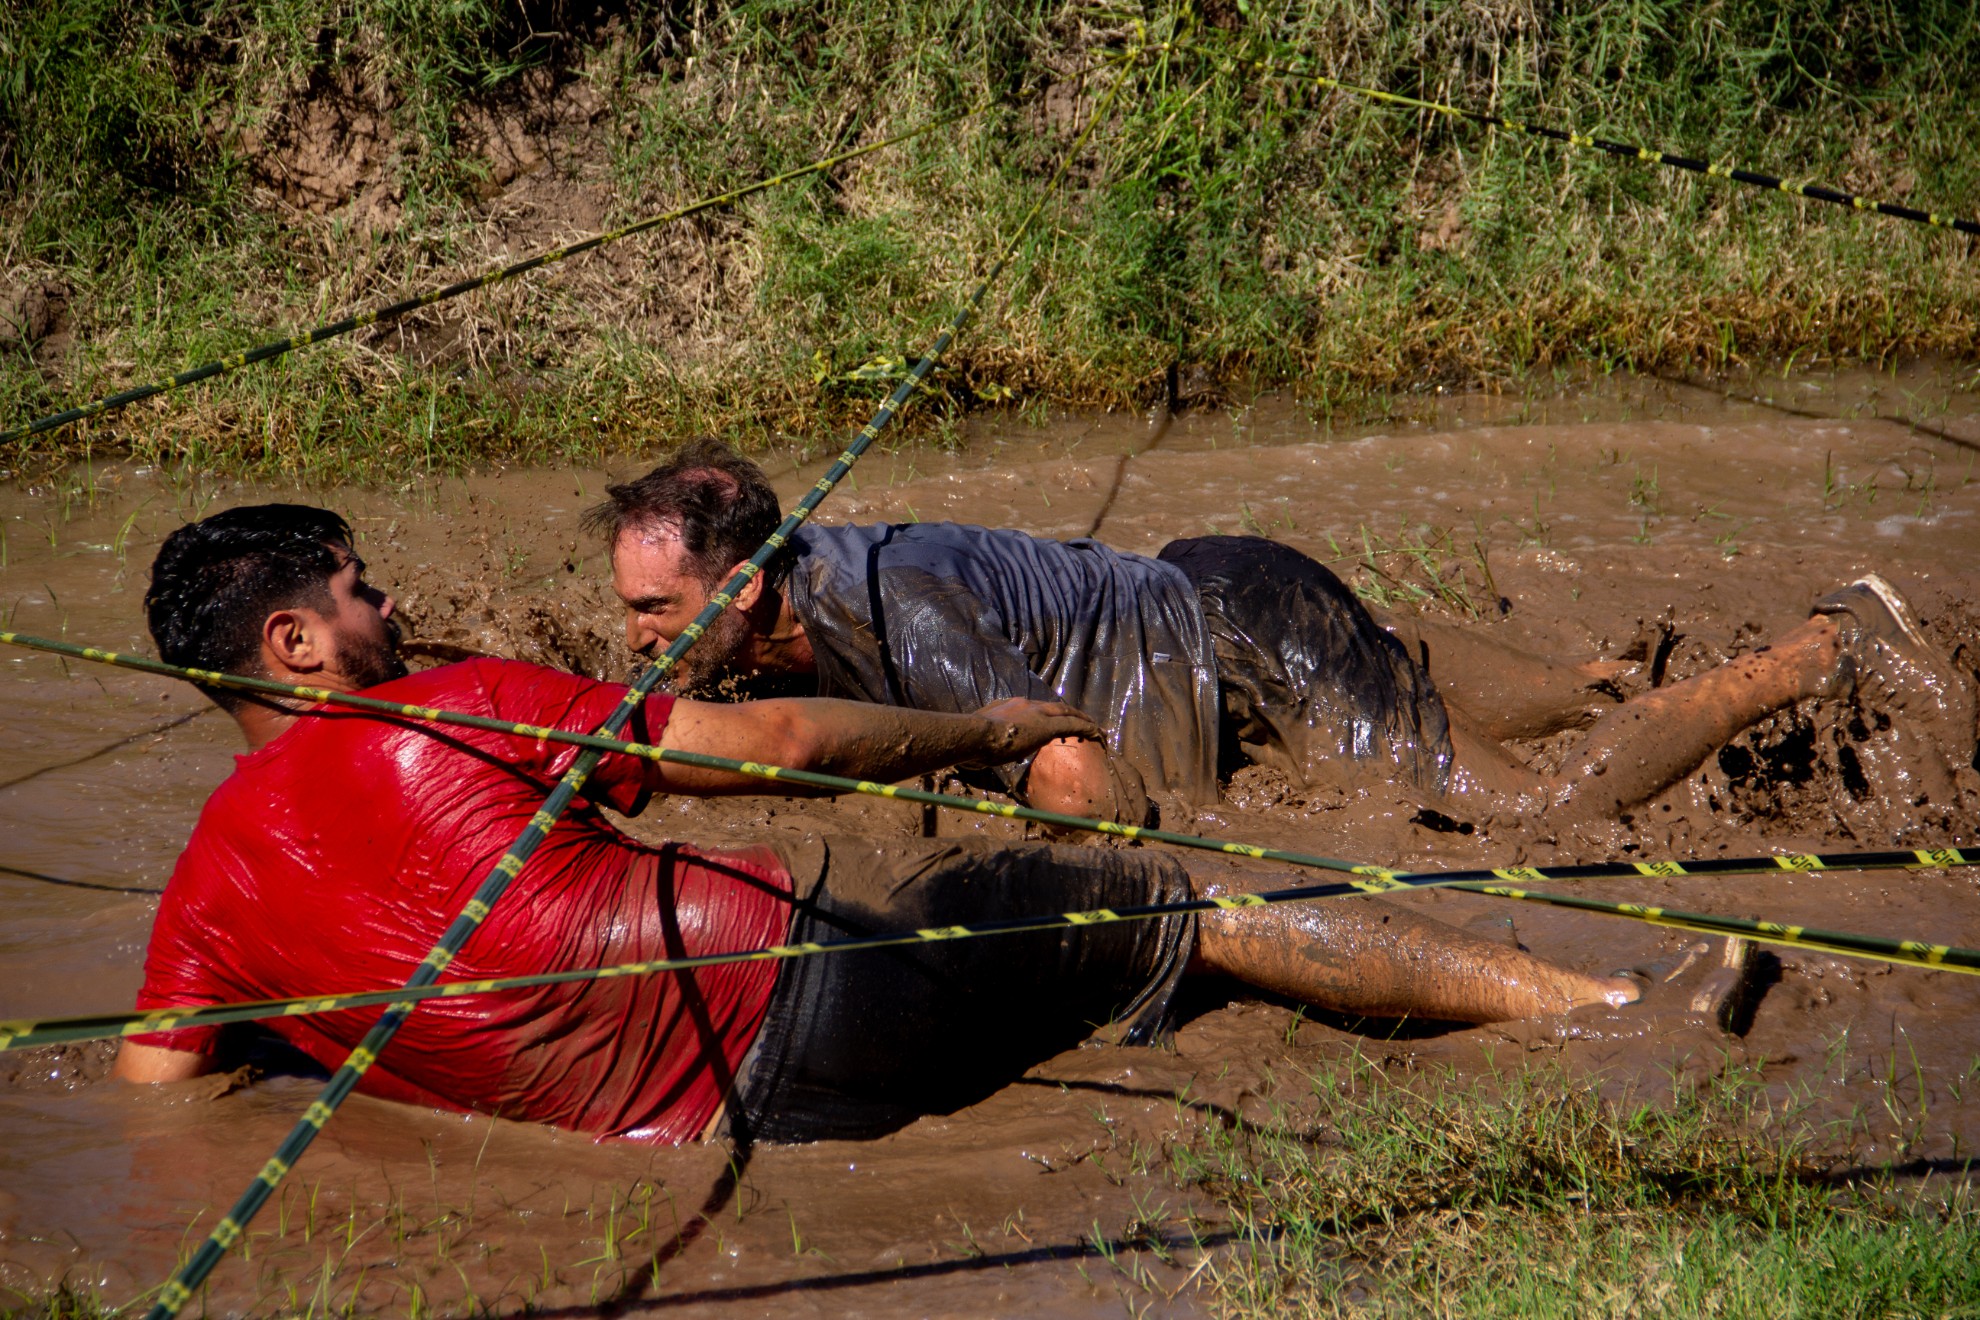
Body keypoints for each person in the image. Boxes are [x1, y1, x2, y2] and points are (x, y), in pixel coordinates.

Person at [116, 504, 1750, 1145]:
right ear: (296, 645)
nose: (393, 605)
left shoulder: (198, 906)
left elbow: (150, 1104)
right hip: (813, 995)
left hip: (735, 1130)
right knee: (1175, 900)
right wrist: (978, 734)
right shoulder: (447, 703)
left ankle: (1592, 688)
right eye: (360, 591)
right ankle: (1607, 1014)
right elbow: (762, 743)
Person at [587, 441, 1974, 829]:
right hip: (1209, 597)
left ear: (751, 589)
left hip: (1244, 631)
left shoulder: (901, 614)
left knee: (1531, 811)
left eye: (656, 611)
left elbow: (1082, 783)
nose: (637, 635)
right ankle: (1600, 683)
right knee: (1440, 720)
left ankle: (1819, 650)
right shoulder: (782, 607)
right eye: (629, 609)